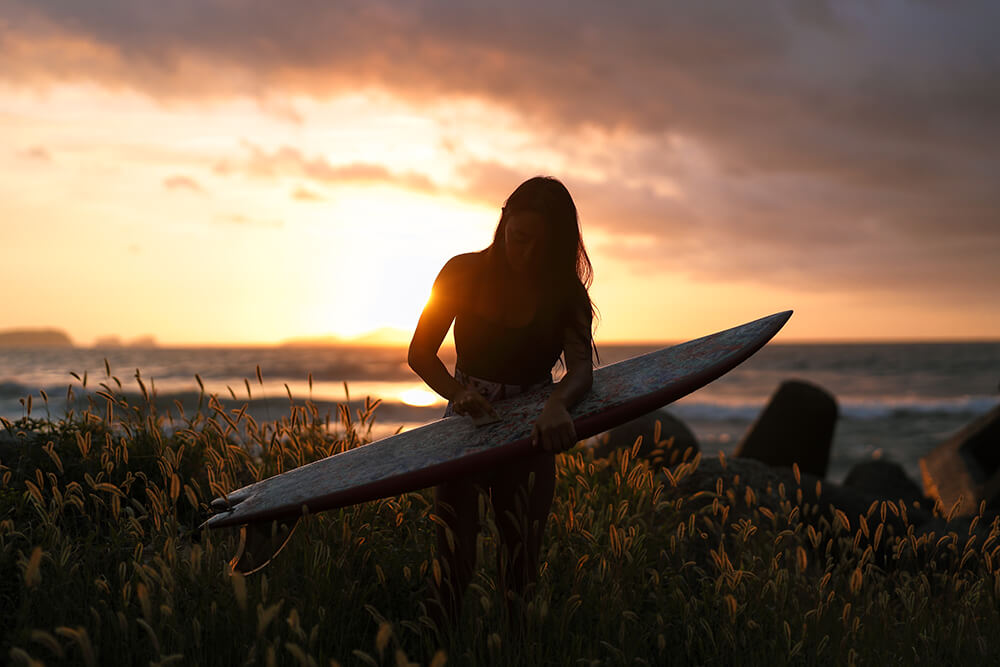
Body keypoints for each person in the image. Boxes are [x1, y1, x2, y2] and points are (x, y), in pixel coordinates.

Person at [407, 176, 596, 626]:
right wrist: (460, 395)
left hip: (532, 430)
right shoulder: (461, 273)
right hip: (464, 427)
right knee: (454, 563)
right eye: (519, 238)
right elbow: (420, 354)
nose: (526, 254)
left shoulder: (566, 295)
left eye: (541, 246)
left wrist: (557, 405)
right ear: (503, 222)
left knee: (521, 565)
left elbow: (582, 369)